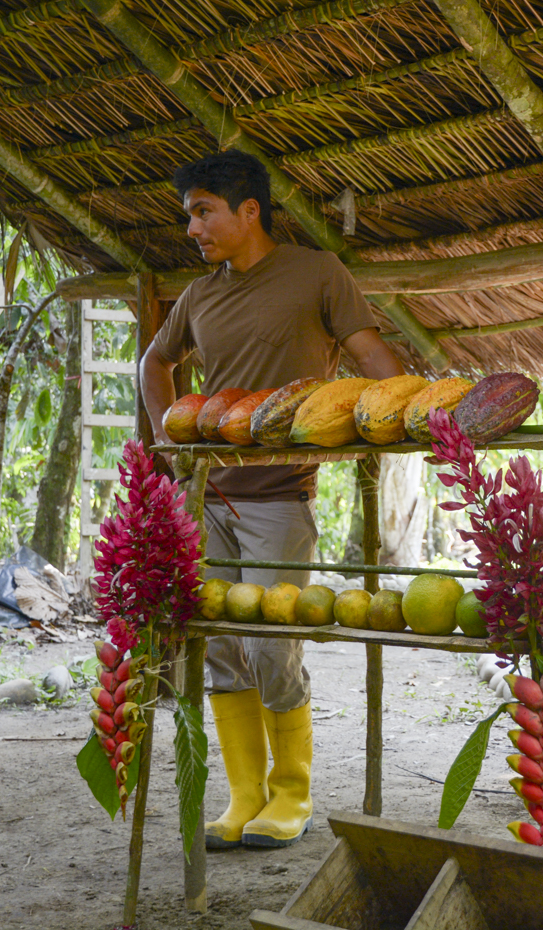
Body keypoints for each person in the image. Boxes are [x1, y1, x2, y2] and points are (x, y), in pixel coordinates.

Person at [140, 150, 404, 850]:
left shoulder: (317, 272)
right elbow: (155, 362)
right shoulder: (198, 297)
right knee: (220, 647)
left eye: (203, 211)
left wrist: (417, 410)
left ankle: (292, 795)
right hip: (208, 495)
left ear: (249, 209)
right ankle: (244, 796)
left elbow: (369, 352)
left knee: (270, 645)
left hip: (280, 496)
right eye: (188, 214)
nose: (192, 226)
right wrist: (170, 443)